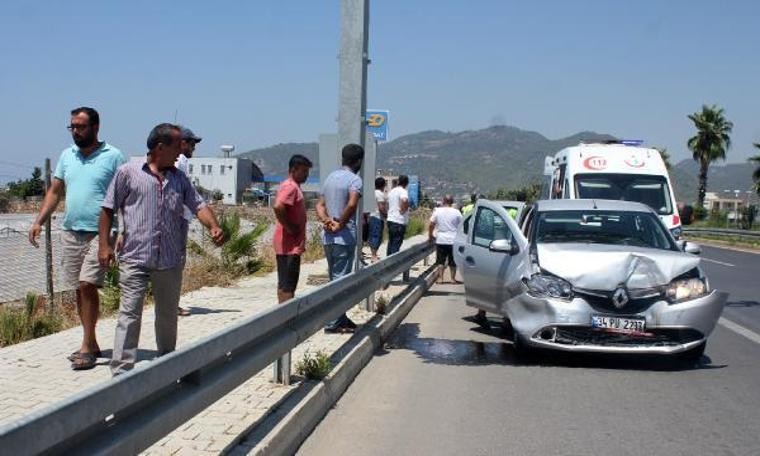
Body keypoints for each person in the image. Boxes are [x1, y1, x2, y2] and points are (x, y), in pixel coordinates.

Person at [99, 123, 224, 376]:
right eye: (177, 145)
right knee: (129, 315)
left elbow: (198, 205)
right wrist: (105, 246)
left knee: (167, 316)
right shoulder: (128, 173)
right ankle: (121, 374)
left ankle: (166, 364)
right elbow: (108, 209)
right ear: (160, 147)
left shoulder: (179, 178)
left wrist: (213, 226)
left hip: (169, 259)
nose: (181, 150)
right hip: (135, 257)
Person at [29, 107, 125, 370]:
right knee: (77, 289)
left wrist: (123, 232)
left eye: (80, 126)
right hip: (71, 231)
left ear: (96, 127)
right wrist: (39, 220)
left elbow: (126, 197)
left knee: (87, 284)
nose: (75, 131)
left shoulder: (113, 156)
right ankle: (91, 342)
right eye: (72, 126)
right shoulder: (66, 156)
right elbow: (55, 192)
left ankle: (86, 346)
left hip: (101, 232)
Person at [316, 144, 364, 333]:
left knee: (335, 277)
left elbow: (319, 205)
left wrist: (326, 220)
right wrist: (341, 224)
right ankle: (333, 322)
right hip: (344, 237)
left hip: (328, 237)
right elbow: (352, 204)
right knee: (340, 281)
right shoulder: (355, 180)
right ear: (359, 161)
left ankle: (341, 318)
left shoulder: (330, 178)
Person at [273, 154, 313, 304]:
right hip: (288, 246)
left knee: (287, 283)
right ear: (293, 170)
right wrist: (289, 227)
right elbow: (278, 206)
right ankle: (285, 318)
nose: (307, 175)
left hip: (291, 245)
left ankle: (284, 314)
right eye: (304, 172)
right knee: (287, 285)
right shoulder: (290, 186)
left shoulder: (293, 186)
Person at [174, 127, 203, 317]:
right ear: (182, 143)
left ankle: (170, 303)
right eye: (192, 144)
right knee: (176, 262)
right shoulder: (180, 161)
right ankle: (171, 304)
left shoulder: (179, 161)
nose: (194, 148)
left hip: (179, 218)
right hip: (178, 219)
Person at [428, 194, 463, 284]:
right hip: (453, 240)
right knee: (453, 261)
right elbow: (462, 226)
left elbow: (431, 224)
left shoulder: (437, 211)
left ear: (443, 201)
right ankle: (452, 279)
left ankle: (440, 279)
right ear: (452, 202)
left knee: (440, 260)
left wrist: (430, 235)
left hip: (441, 239)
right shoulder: (457, 212)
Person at [386, 175, 410, 256]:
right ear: (406, 183)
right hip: (398, 221)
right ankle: (393, 264)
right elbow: (404, 200)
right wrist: (404, 209)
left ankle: (387, 263)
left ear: (398, 181)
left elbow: (387, 203)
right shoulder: (403, 191)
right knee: (396, 244)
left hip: (390, 219)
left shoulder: (392, 191)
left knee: (391, 242)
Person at [367, 176, 387, 262]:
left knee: (373, 236)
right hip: (377, 217)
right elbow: (381, 207)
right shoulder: (380, 194)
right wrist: (386, 216)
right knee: (377, 236)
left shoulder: (372, 193)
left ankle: (373, 254)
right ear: (383, 185)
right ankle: (373, 255)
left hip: (371, 216)